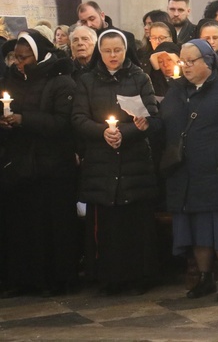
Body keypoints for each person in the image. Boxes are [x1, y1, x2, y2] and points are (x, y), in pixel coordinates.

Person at [160, 39, 218, 302]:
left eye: (191, 61)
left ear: (208, 62)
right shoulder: (177, 90)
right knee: (197, 227)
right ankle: (204, 278)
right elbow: (165, 121)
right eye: (182, 61)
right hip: (186, 173)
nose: (185, 66)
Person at [71, 29, 160, 295]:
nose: (113, 56)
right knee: (107, 223)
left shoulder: (139, 77)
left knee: (136, 222)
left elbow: (151, 116)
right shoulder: (87, 81)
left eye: (117, 50)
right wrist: (104, 132)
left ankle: (140, 275)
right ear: (100, 52)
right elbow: (78, 118)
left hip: (134, 161)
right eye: (108, 51)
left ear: (125, 51)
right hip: (101, 162)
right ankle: (109, 277)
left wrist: (125, 133)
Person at [0, 30, 79, 297]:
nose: (20, 63)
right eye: (16, 58)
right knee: (22, 226)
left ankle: (56, 279)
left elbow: (62, 123)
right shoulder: (11, 79)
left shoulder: (61, 81)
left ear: (40, 55)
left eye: (25, 58)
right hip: (20, 164)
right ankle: (25, 278)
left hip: (53, 166)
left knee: (53, 226)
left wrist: (24, 120)